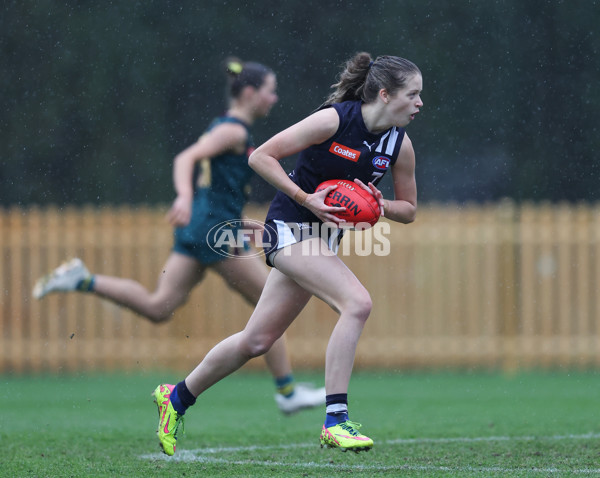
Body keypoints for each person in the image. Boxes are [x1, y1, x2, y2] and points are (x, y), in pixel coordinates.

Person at [152, 51, 422, 456]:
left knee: (256, 341)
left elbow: (409, 210)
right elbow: (260, 156)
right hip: (289, 228)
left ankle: (177, 397)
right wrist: (305, 198)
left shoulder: (399, 145)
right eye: (413, 94)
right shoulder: (333, 119)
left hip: (321, 240)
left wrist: (378, 205)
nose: (420, 103)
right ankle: (336, 421)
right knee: (357, 303)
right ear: (384, 94)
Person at [31, 58, 325, 415]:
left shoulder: (225, 126)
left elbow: (216, 184)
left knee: (159, 306)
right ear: (250, 93)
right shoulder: (233, 131)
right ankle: (288, 391)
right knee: (271, 302)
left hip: (200, 227)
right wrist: (184, 196)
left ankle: (83, 279)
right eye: (270, 91)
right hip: (215, 232)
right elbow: (186, 158)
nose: (274, 98)